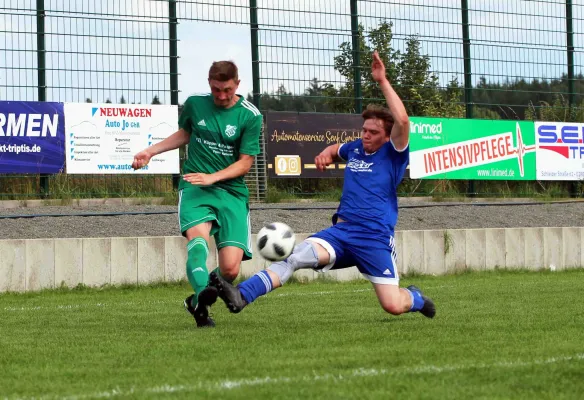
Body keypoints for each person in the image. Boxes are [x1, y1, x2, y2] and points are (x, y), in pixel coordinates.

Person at [205, 51, 435, 320]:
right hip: (341, 232)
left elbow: (403, 121)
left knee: (392, 305)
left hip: (374, 238)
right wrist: (327, 153)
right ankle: (242, 294)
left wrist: (382, 81)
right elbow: (339, 148)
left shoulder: (394, 153)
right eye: (364, 130)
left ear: (387, 137)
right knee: (294, 258)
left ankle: (416, 297)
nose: (366, 136)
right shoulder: (357, 148)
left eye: (373, 133)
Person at [131, 60, 263, 328]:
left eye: (227, 90)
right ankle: (204, 296)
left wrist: (214, 176)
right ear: (209, 84)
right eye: (216, 90)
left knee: (230, 270)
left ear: (237, 84)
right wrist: (150, 151)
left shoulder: (250, 115)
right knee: (198, 241)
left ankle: (196, 301)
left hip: (232, 193)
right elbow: (185, 133)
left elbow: (246, 162)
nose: (222, 96)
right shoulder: (194, 104)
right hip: (195, 186)